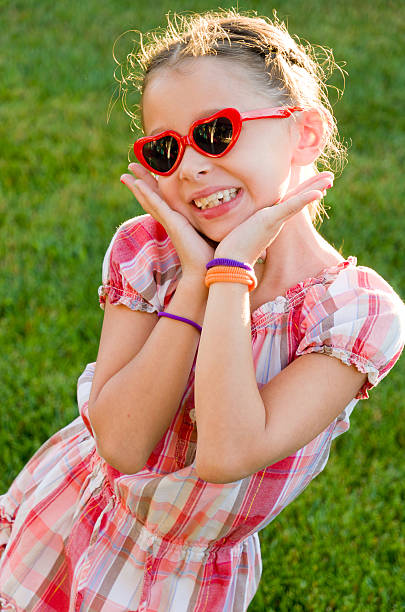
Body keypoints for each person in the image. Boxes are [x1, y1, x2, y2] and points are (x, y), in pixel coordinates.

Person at [1, 9, 404, 612]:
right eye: (166, 149)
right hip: (74, 512)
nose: (190, 167)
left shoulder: (356, 314)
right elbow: (121, 442)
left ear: (306, 133)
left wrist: (230, 278)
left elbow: (227, 454)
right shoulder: (153, 253)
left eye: (216, 133)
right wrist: (196, 280)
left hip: (184, 579)